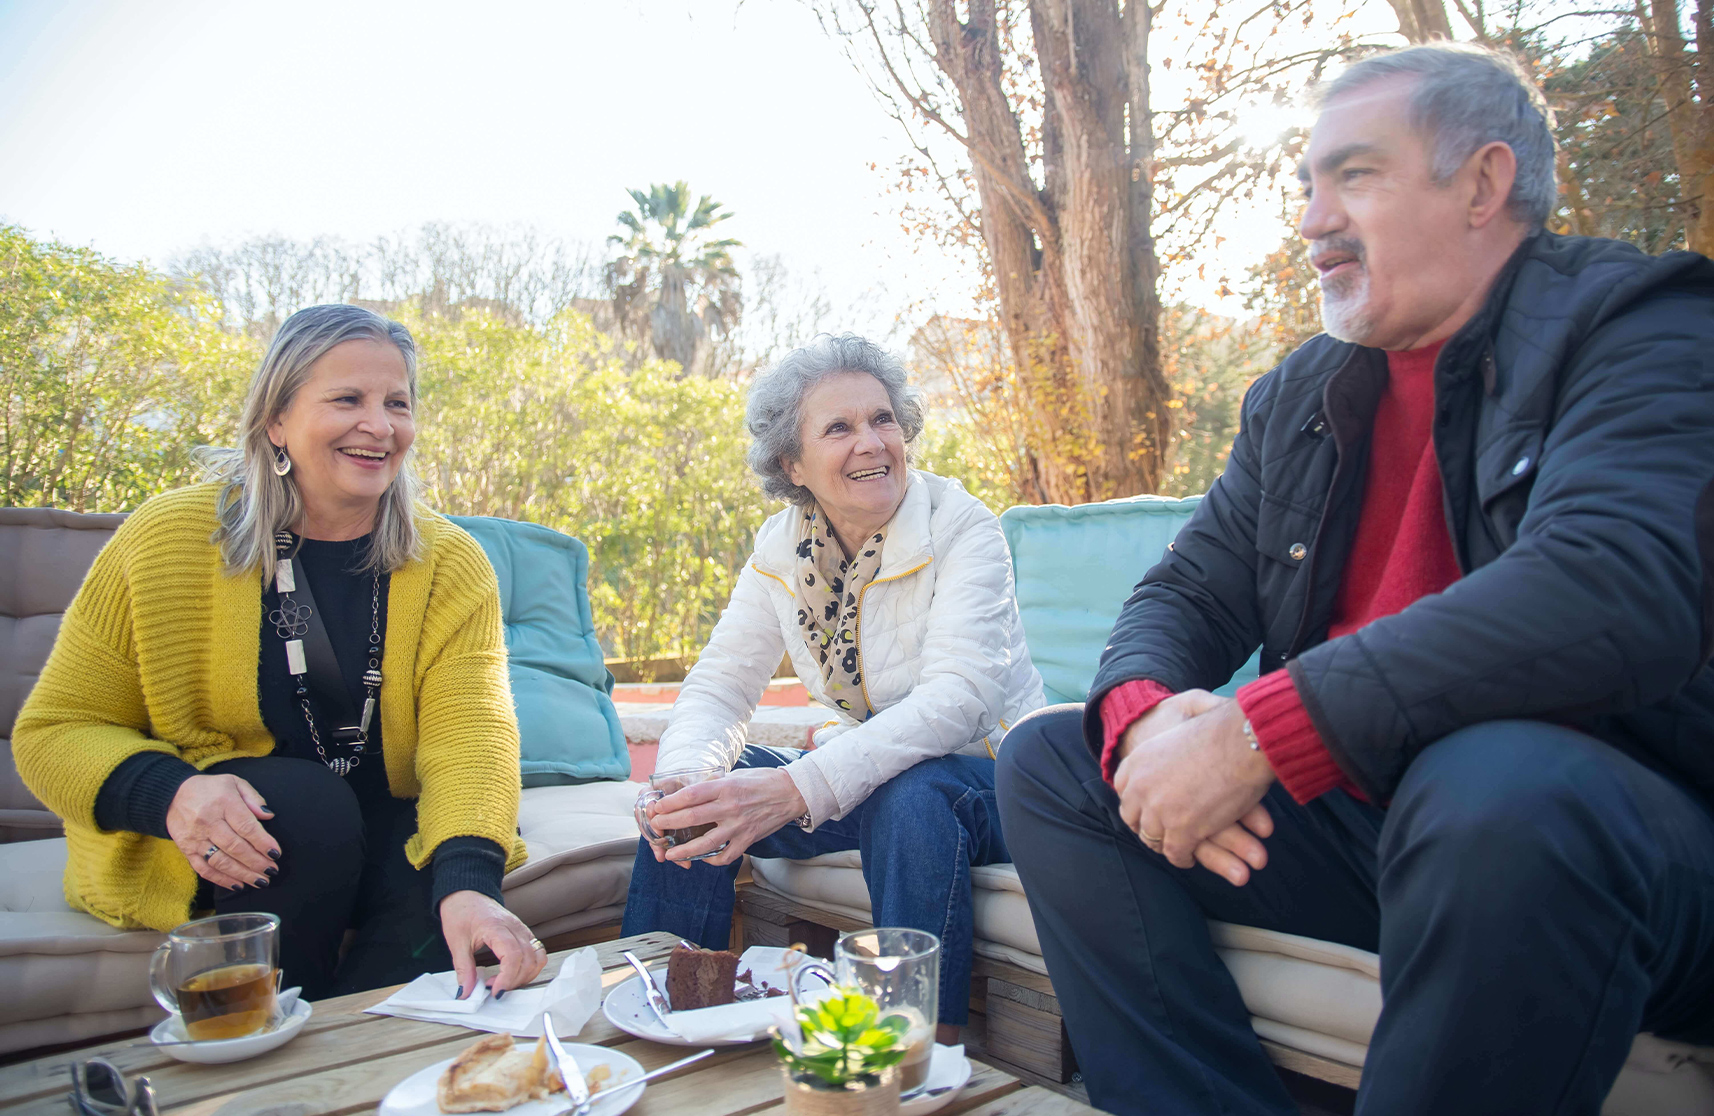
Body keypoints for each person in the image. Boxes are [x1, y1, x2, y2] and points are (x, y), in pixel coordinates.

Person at [996, 42, 1714, 1116]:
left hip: (1603, 832)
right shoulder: (1303, 392)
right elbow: (1182, 595)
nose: (1310, 219)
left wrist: (1256, 734)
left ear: (1481, 182)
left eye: (1355, 174)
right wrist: (1147, 729)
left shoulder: (1640, 323)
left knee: (1497, 788)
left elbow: (1612, 585)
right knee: (1055, 764)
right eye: (1305, 185)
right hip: (1375, 821)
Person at [15, 304, 546, 1002]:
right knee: (305, 805)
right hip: (230, 842)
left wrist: (473, 883)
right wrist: (171, 794)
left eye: (397, 403)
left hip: (379, 839)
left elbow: (472, 735)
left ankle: (360, 1064)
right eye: (347, 400)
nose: (380, 426)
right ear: (276, 420)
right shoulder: (168, 537)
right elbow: (54, 731)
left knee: (445, 855)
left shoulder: (448, 561)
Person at [620, 333, 1044, 1041]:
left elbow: (960, 698)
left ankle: (914, 1048)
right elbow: (722, 685)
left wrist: (798, 789)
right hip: (877, 775)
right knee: (689, 797)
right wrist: (686, 776)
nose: (873, 443)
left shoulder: (963, 525)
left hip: (996, 782)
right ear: (793, 462)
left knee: (914, 795)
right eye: (840, 428)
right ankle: (659, 1009)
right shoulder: (780, 550)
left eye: (883, 419)